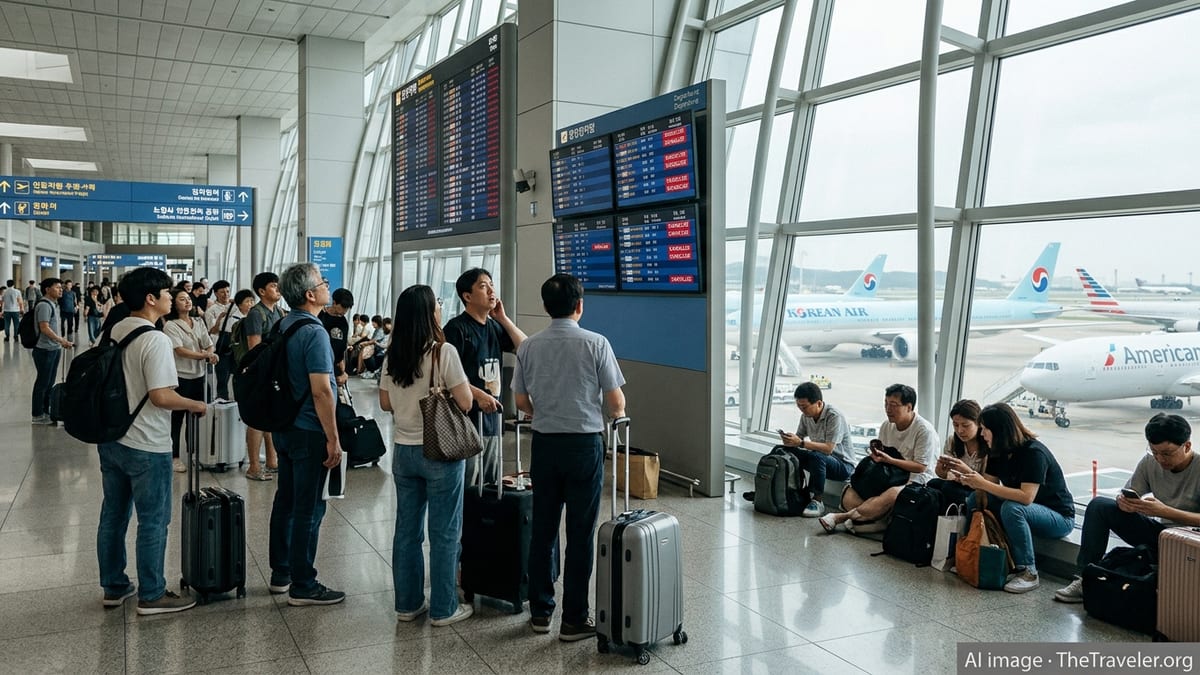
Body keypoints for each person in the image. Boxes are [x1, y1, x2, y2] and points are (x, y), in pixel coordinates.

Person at [512, 273, 625, 641]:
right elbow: (615, 401)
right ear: (579, 306)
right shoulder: (596, 343)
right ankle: (574, 619)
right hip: (584, 445)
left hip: (544, 444)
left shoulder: (529, 347)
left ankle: (541, 611)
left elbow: (521, 402)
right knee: (580, 533)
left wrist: (546, 410)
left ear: (546, 307)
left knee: (542, 529)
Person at [96, 266, 206, 615]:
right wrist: (195, 404)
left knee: (113, 515)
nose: (172, 298)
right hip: (147, 443)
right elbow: (161, 396)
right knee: (154, 519)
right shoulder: (155, 338)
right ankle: (152, 594)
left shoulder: (116, 330)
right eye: (167, 293)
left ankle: (114, 586)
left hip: (113, 439)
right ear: (150, 298)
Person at [379, 284, 474, 626]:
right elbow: (465, 402)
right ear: (429, 313)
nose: (440, 308)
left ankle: (407, 604)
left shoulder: (393, 355)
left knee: (407, 530)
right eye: (437, 304)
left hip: (403, 452)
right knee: (445, 532)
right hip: (440, 452)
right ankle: (443, 608)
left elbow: (385, 402)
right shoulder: (442, 353)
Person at [1055, 413, 1200, 603]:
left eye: (1166, 453)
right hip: (1161, 535)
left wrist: (1165, 512)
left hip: (1191, 541)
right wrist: (1125, 501)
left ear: (1187, 446)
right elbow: (1131, 490)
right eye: (1154, 452)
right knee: (1099, 506)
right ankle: (1085, 578)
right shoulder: (1150, 462)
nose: (1160, 459)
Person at [266, 263, 345, 607]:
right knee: (309, 508)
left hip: (283, 426)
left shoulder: (282, 325)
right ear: (311, 295)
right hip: (309, 430)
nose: (328, 286)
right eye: (323, 283)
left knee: (286, 500)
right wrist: (334, 438)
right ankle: (304, 583)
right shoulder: (314, 333)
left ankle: (281, 572)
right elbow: (322, 391)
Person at [956, 402, 1075, 594]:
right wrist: (972, 481)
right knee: (974, 499)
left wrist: (981, 484)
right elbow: (987, 485)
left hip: (1058, 516)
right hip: (1028, 508)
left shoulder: (1034, 453)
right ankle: (972, 553)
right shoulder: (997, 450)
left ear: (999, 430)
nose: (982, 434)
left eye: (985, 429)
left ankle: (1028, 571)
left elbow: (1026, 497)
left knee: (1012, 508)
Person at [443, 268, 527, 489]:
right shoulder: (456, 329)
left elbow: (526, 348)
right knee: (469, 485)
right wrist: (477, 394)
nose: (491, 290)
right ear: (467, 296)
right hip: (466, 422)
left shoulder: (494, 327)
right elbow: (446, 374)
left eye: (491, 284)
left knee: (490, 485)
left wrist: (503, 318)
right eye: (483, 286)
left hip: (493, 421)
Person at [819, 383, 938, 534]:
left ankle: (842, 517)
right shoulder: (886, 426)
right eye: (886, 404)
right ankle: (876, 519)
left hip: (915, 479)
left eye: (894, 405)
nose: (888, 409)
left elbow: (921, 466)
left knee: (892, 495)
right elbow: (883, 457)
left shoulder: (924, 430)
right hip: (889, 475)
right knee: (849, 494)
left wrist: (889, 460)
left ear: (909, 407)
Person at [779, 382, 855, 517]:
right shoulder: (806, 416)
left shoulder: (834, 416)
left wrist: (801, 443)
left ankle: (817, 500)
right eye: (799, 406)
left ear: (819, 403)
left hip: (842, 465)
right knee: (781, 450)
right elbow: (799, 438)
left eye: (804, 406)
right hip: (819, 459)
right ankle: (781, 489)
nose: (801, 410)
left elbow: (828, 449)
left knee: (817, 455)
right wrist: (790, 441)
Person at [164, 289, 219, 473]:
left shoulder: (198, 321)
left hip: (199, 376)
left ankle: (193, 453)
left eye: (188, 299)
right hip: (181, 377)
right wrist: (204, 355)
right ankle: (174, 456)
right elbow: (179, 350)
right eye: (182, 299)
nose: (187, 302)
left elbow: (207, 341)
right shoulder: (171, 325)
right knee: (177, 419)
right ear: (174, 304)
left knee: (195, 417)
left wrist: (210, 352)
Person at [242, 272, 285, 481]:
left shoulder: (279, 312)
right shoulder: (255, 314)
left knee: (270, 416)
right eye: (273, 286)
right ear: (261, 291)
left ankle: (271, 460)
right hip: (259, 372)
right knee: (257, 419)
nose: (277, 289)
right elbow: (254, 348)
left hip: (274, 372)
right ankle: (253, 466)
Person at [930, 399, 988, 506]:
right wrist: (942, 472)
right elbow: (948, 475)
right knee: (933, 484)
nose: (960, 430)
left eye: (965, 425)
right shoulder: (952, 441)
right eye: (955, 425)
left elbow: (988, 484)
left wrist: (965, 471)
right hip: (955, 485)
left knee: (948, 490)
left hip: (979, 490)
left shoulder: (988, 444)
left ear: (979, 424)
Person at [31, 278, 73, 425]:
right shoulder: (44, 305)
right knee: (43, 382)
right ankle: (37, 414)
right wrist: (62, 340)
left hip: (53, 348)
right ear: (47, 289)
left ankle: (46, 411)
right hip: (44, 350)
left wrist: (59, 342)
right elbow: (44, 328)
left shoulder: (54, 304)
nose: (61, 290)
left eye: (61, 287)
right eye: (57, 287)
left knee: (49, 382)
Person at [203, 280, 236, 400]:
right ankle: (223, 401)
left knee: (237, 375)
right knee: (223, 377)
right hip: (222, 345)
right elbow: (212, 331)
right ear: (216, 293)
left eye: (227, 291)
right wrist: (220, 320)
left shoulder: (236, 306)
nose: (226, 294)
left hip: (236, 344)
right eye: (222, 292)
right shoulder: (211, 311)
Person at [319, 288, 354, 387]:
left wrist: (343, 372)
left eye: (347, 308)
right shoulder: (320, 316)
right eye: (343, 307)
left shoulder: (343, 323)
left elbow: (342, 351)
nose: (344, 311)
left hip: (334, 366)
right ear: (334, 303)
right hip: (319, 363)